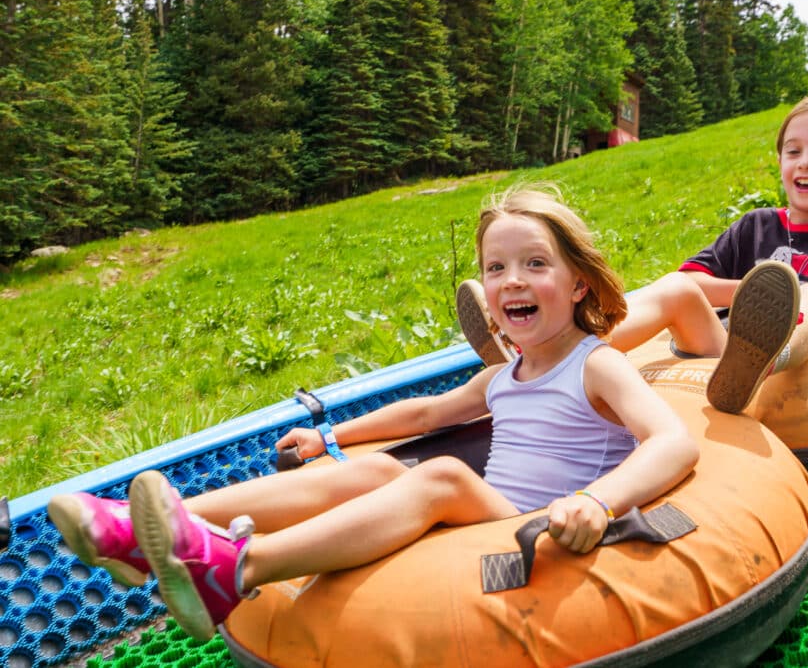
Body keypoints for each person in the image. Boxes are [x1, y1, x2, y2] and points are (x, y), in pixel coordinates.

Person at [48, 185, 699, 642]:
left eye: (536, 264)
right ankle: (161, 528)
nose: (512, 280)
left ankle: (236, 569)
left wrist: (597, 500)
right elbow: (424, 411)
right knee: (381, 472)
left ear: (580, 282)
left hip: (542, 530)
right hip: (489, 516)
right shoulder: (505, 375)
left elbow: (672, 440)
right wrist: (333, 431)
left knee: (441, 474)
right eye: (495, 267)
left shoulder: (596, 364)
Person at [460, 91, 808, 414]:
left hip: (807, 352)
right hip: (732, 355)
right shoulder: (756, 226)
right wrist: (752, 293)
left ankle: (775, 349)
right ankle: (553, 348)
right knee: (674, 287)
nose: (805, 162)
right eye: (794, 151)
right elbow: (695, 281)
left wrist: (800, 306)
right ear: (782, 162)